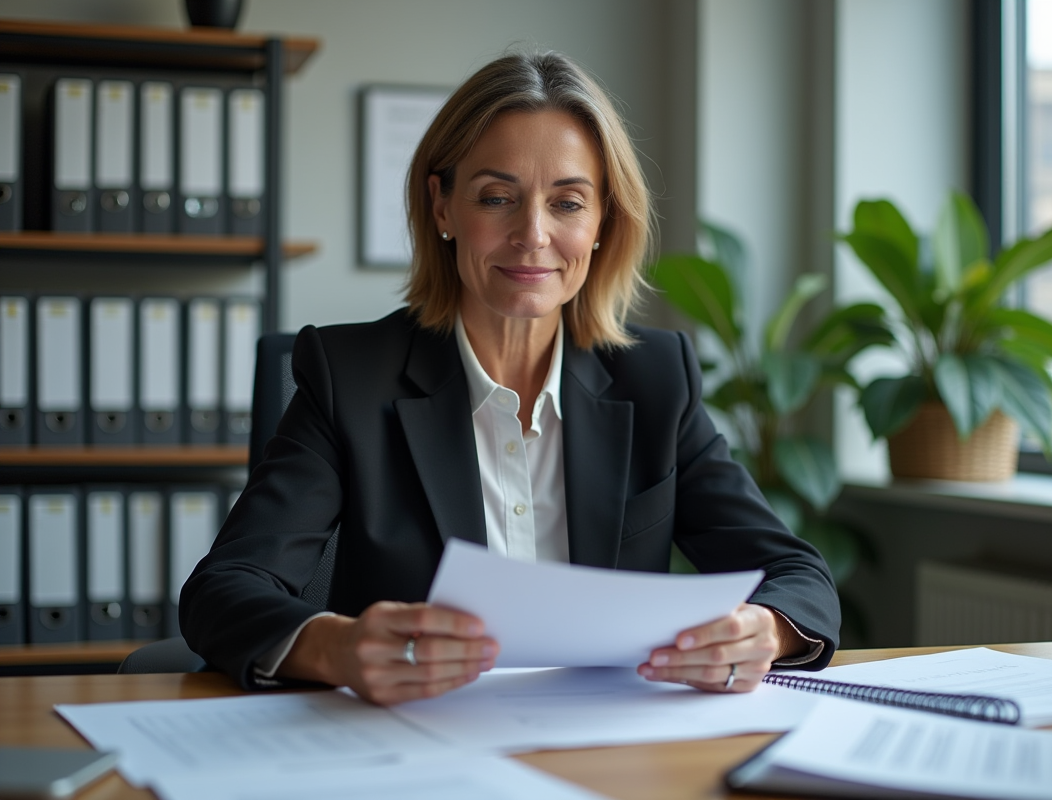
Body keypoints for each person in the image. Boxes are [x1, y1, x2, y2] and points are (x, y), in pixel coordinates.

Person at [180, 51, 840, 706]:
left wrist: (766, 630)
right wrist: (338, 648)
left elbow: (796, 574)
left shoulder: (656, 379)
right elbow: (225, 589)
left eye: (568, 202)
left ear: (603, 220)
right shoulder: (349, 376)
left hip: (607, 749)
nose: (532, 235)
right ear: (441, 206)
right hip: (413, 749)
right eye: (497, 198)